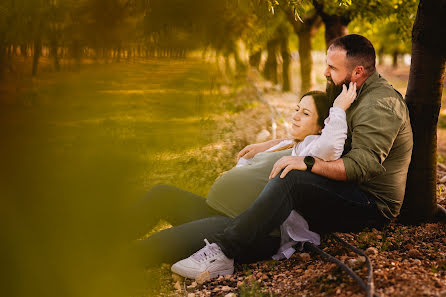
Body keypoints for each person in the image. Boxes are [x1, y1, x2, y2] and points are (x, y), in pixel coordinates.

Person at [171, 34, 413, 280]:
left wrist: (307, 163)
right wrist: (275, 144)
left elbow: (361, 166)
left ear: (358, 71)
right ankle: (231, 231)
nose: (325, 73)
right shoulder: (349, 91)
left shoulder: (379, 105)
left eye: (332, 67)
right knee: (291, 172)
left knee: (293, 177)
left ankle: (224, 252)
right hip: (347, 187)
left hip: (370, 203)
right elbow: (322, 136)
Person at [131, 86, 357, 268]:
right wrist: (267, 146)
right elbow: (285, 143)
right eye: (297, 109)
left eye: (305, 114)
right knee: (162, 194)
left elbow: (330, 146)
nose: (296, 116)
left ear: (320, 127)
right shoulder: (291, 143)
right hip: (218, 211)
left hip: (240, 227)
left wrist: (338, 108)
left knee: (156, 245)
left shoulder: (311, 150)